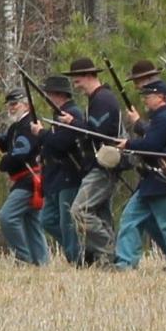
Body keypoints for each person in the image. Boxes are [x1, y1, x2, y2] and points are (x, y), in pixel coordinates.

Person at [113, 80, 166, 270]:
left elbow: (152, 145)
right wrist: (138, 124)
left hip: (162, 179)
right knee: (130, 219)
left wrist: (128, 144)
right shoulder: (160, 118)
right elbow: (152, 135)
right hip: (151, 181)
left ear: (161, 97)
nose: (145, 100)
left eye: (149, 96)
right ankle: (124, 262)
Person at [0, 88, 47, 265]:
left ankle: (23, 258)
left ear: (26, 105)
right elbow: (3, 144)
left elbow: (20, 153)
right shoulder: (16, 127)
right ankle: (41, 264)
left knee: (7, 217)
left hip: (29, 179)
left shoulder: (30, 125)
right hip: (24, 179)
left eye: (14, 104)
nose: (10, 108)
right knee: (32, 223)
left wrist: (5, 162)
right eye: (8, 104)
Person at [62, 57, 122, 266]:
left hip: (102, 166)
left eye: (77, 80)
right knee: (100, 214)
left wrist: (74, 123)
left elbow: (98, 132)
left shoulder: (103, 99)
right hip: (97, 165)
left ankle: (109, 250)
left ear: (88, 76)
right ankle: (106, 260)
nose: (75, 84)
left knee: (80, 211)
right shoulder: (97, 99)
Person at [31, 75, 85, 264]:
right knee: (48, 220)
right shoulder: (59, 115)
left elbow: (63, 143)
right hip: (54, 177)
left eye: (50, 94)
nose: (47, 98)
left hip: (68, 176)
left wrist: (42, 134)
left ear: (58, 94)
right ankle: (77, 252)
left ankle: (77, 258)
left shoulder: (73, 113)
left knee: (67, 223)